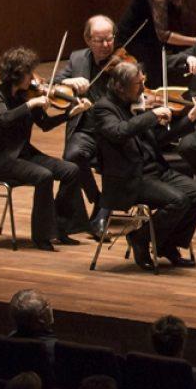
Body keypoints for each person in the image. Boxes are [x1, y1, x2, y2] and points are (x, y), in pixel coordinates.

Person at [91, 60, 196, 269]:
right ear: (120, 87)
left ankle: (166, 243)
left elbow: (158, 141)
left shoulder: (135, 104)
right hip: (130, 179)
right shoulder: (103, 109)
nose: (142, 89)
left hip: (155, 171)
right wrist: (151, 115)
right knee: (179, 201)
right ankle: (141, 237)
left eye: (142, 82)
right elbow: (119, 132)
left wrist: (191, 117)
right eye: (137, 84)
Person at [0, 46, 91, 249]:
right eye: (29, 73)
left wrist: (69, 114)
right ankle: (42, 236)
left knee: (71, 170)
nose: (34, 79)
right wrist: (31, 104)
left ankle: (62, 228)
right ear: (17, 75)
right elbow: (3, 118)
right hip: (3, 159)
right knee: (44, 176)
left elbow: (44, 125)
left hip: (25, 153)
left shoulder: (28, 94)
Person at [53, 15, 125, 236]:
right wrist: (68, 82)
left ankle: (104, 212)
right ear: (87, 40)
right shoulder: (77, 59)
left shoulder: (123, 63)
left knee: (117, 160)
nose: (105, 46)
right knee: (72, 156)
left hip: (114, 131)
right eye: (99, 40)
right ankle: (98, 198)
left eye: (109, 39)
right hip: (86, 129)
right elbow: (52, 85)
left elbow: (138, 89)